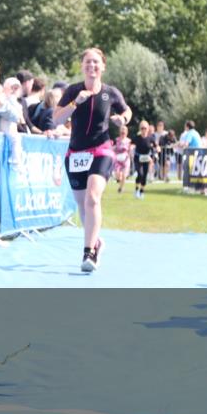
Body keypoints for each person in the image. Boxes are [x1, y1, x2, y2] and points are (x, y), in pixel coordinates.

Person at [51, 47, 132, 272]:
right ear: (82, 66)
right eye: (88, 62)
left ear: (103, 66)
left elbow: (128, 112)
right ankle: (96, 241)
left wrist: (122, 119)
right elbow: (57, 120)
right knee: (82, 205)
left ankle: (89, 253)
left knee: (93, 198)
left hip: (101, 149)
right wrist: (75, 102)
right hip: (75, 153)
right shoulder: (72, 91)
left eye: (96, 62)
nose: (92, 66)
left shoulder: (111, 92)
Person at [131, 120, 157, 199]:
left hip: (146, 158)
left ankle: (141, 192)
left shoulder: (150, 138)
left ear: (148, 129)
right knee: (140, 174)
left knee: (144, 176)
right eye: (142, 128)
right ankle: (136, 190)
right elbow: (131, 144)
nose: (143, 130)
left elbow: (156, 146)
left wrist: (157, 149)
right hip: (138, 158)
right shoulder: (137, 137)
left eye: (145, 128)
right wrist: (131, 148)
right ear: (140, 129)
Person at [112, 125, 131, 193]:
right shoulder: (116, 140)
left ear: (127, 132)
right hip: (117, 159)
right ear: (120, 132)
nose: (123, 132)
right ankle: (119, 180)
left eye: (124, 131)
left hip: (126, 159)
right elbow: (113, 148)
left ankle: (121, 188)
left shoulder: (129, 141)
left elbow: (130, 150)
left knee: (124, 175)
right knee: (118, 175)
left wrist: (130, 157)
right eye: (122, 130)